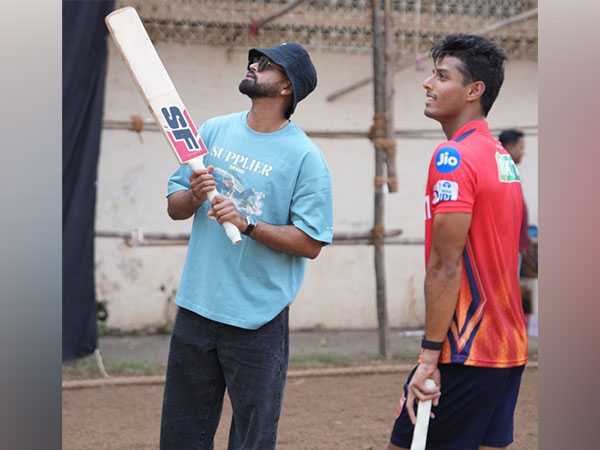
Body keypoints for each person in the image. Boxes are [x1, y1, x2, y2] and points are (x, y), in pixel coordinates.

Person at [159, 42, 333, 450]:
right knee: (182, 433)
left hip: (258, 319)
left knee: (253, 437)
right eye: (255, 60)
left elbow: (310, 242)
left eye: (267, 64)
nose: (254, 65)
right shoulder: (214, 130)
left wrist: (248, 224)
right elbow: (174, 206)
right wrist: (196, 195)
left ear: (288, 87)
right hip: (197, 307)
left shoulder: (305, 157)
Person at [388, 34, 528, 450]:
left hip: (463, 349)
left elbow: (445, 264)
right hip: (508, 345)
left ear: (474, 91)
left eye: (441, 75)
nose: (428, 84)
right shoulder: (501, 156)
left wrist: (429, 355)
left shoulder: (453, 157)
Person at [498, 129, 533, 327]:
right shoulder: (502, 168)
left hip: (514, 245)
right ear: (510, 148)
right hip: (506, 246)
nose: (523, 153)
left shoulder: (509, 168)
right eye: (521, 148)